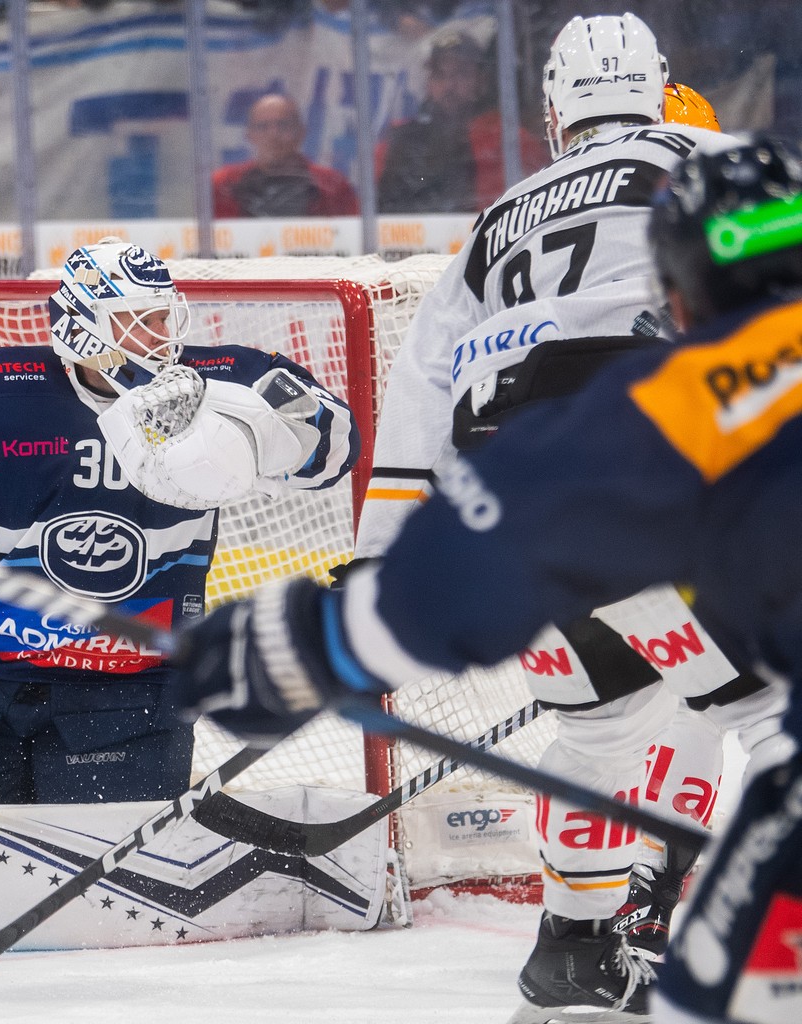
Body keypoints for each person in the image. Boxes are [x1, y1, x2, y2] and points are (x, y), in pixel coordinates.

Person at [172, 132, 802, 1024]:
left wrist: (316, 640)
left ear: (680, 294)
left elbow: (512, 528)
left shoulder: (707, 393)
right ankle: (578, 948)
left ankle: (579, 943)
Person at [347, 13, 783, 1022]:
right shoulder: (709, 155)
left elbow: (418, 389)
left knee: (606, 719)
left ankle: (573, 952)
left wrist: (378, 556)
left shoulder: (498, 215)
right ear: (660, 89)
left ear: (555, 112)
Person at [0, 236, 357, 807]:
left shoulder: (225, 379)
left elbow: (336, 447)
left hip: (133, 701)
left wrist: (243, 426)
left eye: (164, 317)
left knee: (107, 903)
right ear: (84, 327)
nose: (163, 338)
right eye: (139, 320)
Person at [376, 29, 549, 213]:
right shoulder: (401, 139)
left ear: (481, 80)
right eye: (440, 74)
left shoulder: (510, 140)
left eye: (461, 73)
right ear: (429, 82)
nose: (449, 85)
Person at [212, 93, 359, 218]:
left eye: (283, 125)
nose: (273, 135)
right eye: (262, 127)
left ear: (301, 132)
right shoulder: (224, 184)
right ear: (249, 135)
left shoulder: (332, 186)